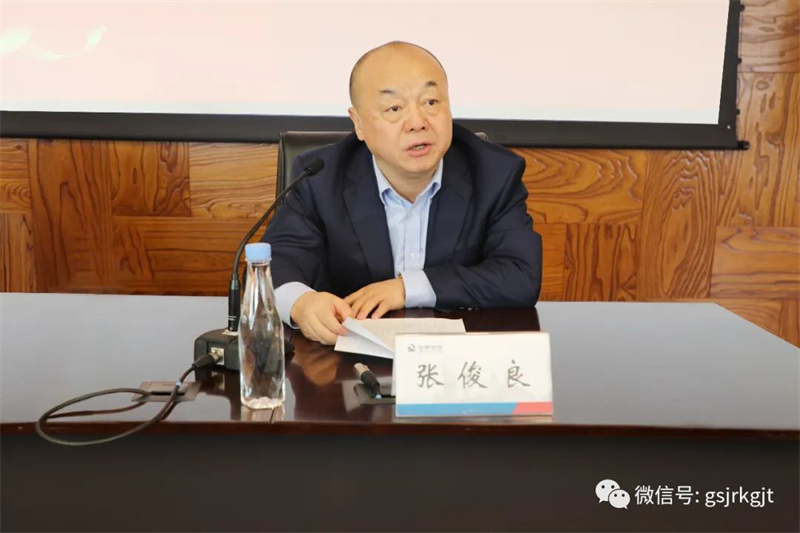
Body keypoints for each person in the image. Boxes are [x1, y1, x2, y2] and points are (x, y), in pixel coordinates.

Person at [262, 41, 542, 345]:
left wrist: (407, 288)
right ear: (358, 123)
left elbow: (520, 276)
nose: (418, 123)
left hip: (454, 360)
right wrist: (302, 303)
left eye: (431, 102)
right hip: (343, 360)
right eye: (394, 108)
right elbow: (273, 266)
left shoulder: (493, 173)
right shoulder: (319, 177)